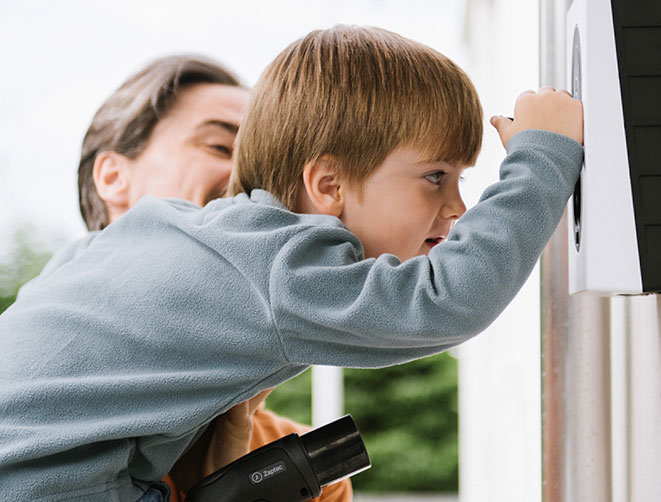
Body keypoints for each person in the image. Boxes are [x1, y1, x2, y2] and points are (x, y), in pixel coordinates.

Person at [0, 25, 584, 502]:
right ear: (327, 183)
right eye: (436, 176)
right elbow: (443, 300)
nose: (457, 208)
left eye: (462, 181)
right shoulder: (276, 261)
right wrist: (542, 157)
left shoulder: (133, 243)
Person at [40, 54, 350, 501]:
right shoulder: (20, 406)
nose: (252, 183)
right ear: (113, 176)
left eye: (266, 166)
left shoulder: (307, 474)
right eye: (222, 148)